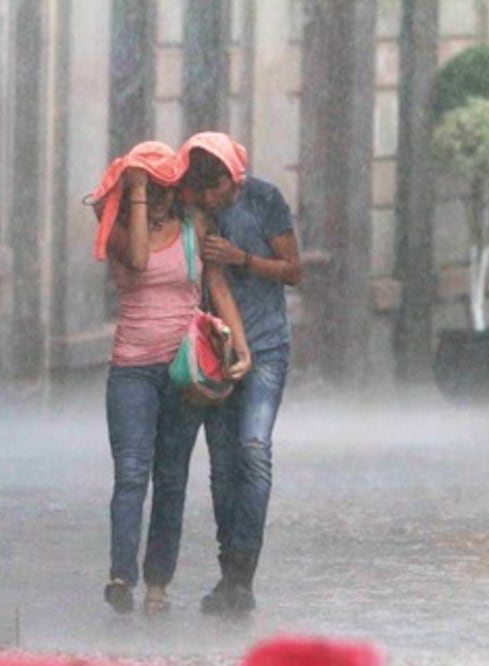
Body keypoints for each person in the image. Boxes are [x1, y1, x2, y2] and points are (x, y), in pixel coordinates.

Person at [87, 141, 251, 614]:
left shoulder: (193, 225)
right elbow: (138, 259)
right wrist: (134, 192)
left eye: (162, 185)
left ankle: (158, 582)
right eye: (149, 185)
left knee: (172, 477)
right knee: (132, 473)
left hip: (182, 369)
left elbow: (215, 283)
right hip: (132, 372)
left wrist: (240, 342)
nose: (159, 194)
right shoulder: (116, 227)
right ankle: (121, 574)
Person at [176, 132, 303, 615]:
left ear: (234, 177)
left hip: (268, 345)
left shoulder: (265, 199)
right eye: (204, 189)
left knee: (254, 450)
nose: (212, 197)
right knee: (223, 467)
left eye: (218, 188)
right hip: (213, 350)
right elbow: (211, 283)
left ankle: (244, 574)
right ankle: (229, 572)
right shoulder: (193, 207)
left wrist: (243, 259)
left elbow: (294, 271)